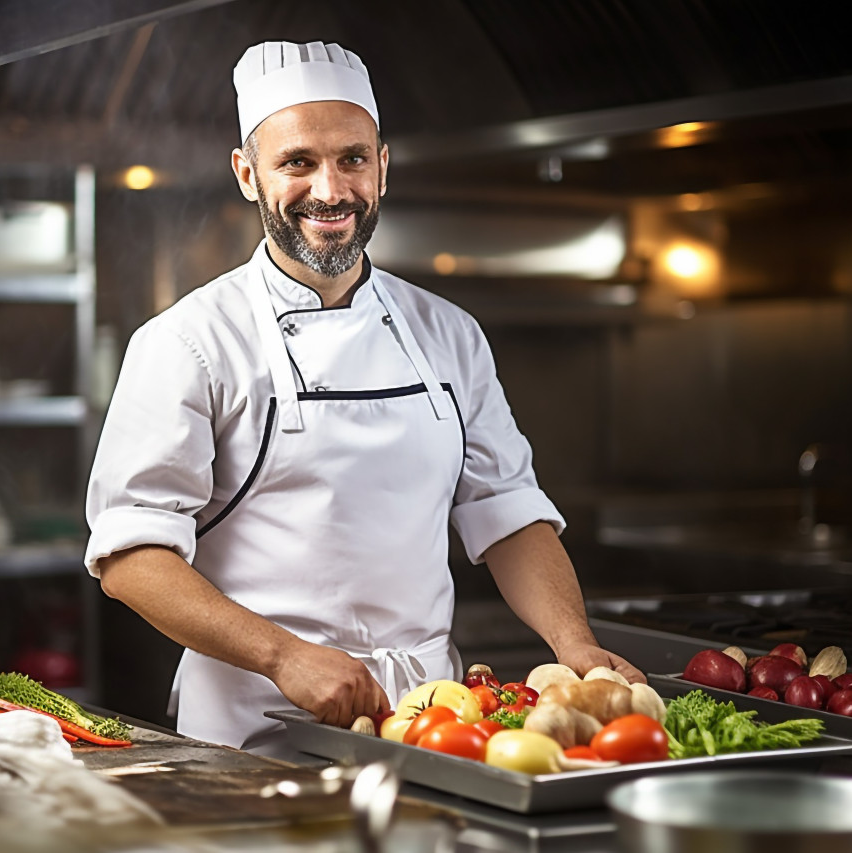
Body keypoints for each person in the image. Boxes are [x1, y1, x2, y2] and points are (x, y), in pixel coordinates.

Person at [85, 40, 643, 755]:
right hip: (252, 734)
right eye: (297, 162)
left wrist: (576, 644)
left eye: (352, 158)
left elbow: (507, 511)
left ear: (383, 164)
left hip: (434, 725)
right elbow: (131, 555)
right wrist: (285, 656)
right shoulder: (189, 342)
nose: (330, 189)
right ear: (248, 174)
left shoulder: (449, 333)